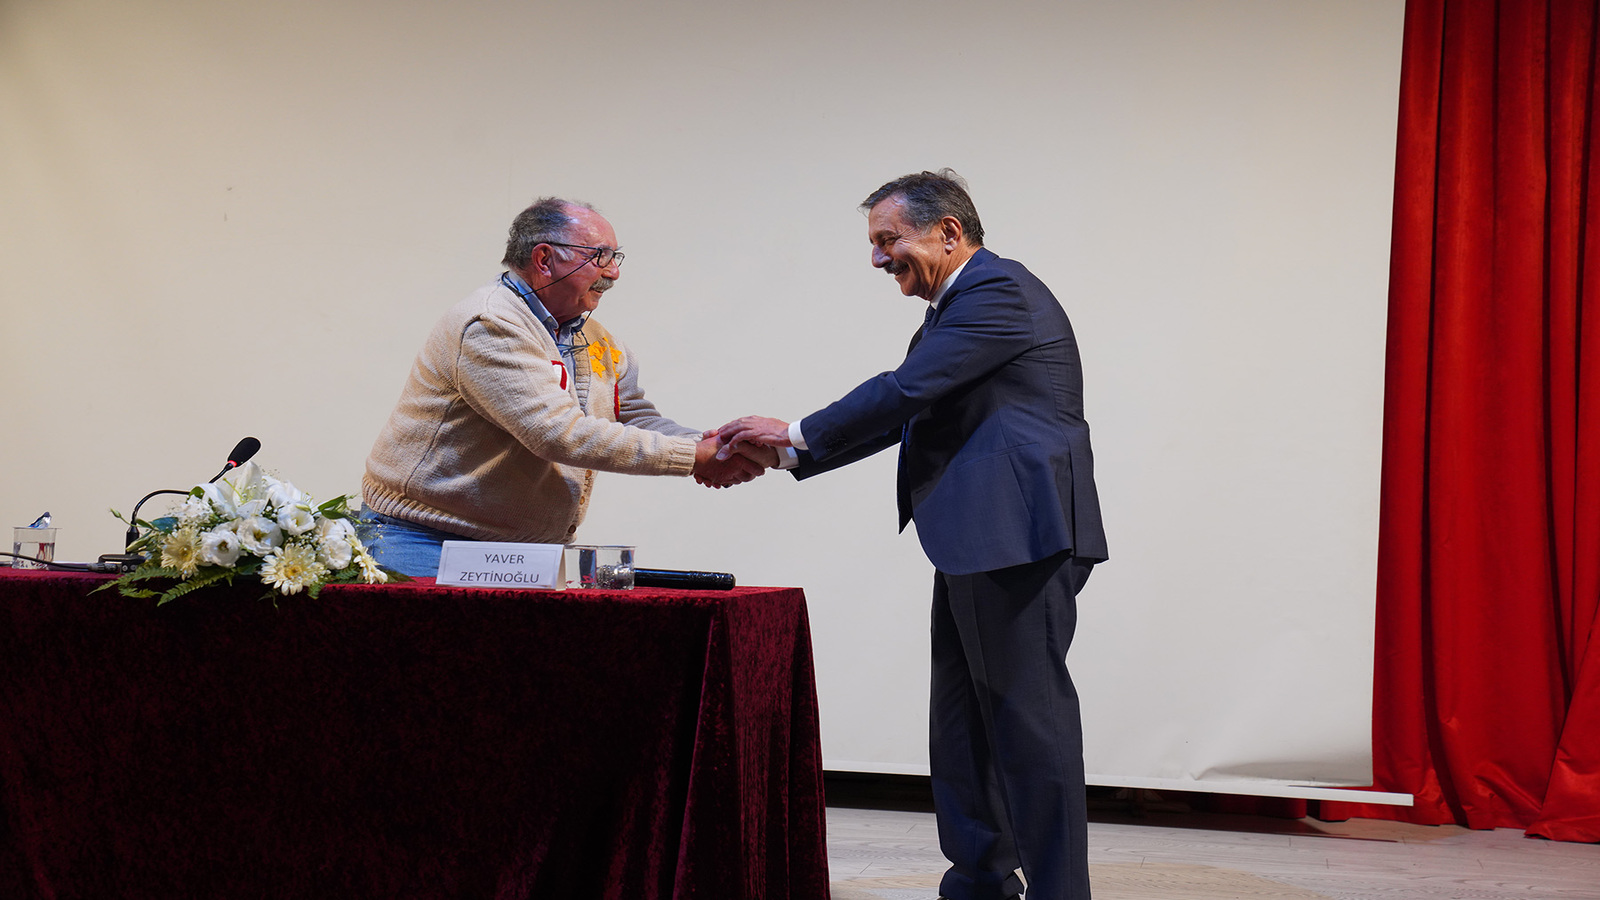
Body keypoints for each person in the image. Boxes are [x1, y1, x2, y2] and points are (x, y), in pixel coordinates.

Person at [714, 170, 1107, 900]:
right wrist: (789, 455)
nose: (877, 258)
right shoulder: (958, 307)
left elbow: (903, 391)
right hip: (980, 539)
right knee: (962, 723)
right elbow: (912, 408)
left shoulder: (997, 291)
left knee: (1029, 725)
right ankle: (980, 882)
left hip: (1018, 537)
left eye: (887, 240)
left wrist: (793, 431)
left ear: (948, 232)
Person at [361, 196, 765, 577]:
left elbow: (632, 416)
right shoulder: (490, 323)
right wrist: (696, 456)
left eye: (615, 257)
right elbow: (556, 433)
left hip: (525, 549)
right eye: (600, 256)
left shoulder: (597, 337)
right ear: (544, 258)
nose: (613, 272)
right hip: (426, 541)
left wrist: (716, 445)